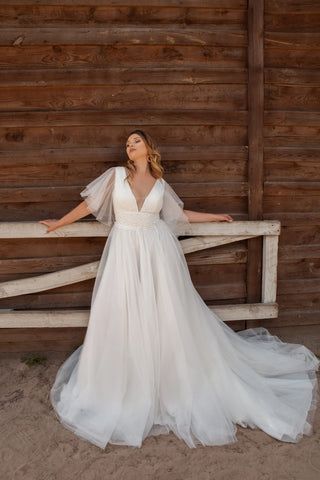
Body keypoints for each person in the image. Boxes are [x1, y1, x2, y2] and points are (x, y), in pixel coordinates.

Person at [40, 129, 319, 449]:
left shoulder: (160, 184)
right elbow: (89, 206)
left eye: (136, 141)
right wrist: (59, 223)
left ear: (148, 148)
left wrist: (214, 217)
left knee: (165, 315)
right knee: (123, 312)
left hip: (158, 254)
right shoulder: (116, 176)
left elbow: (179, 215)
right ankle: (126, 381)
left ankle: (170, 379)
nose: (130, 147)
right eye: (127, 144)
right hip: (125, 252)